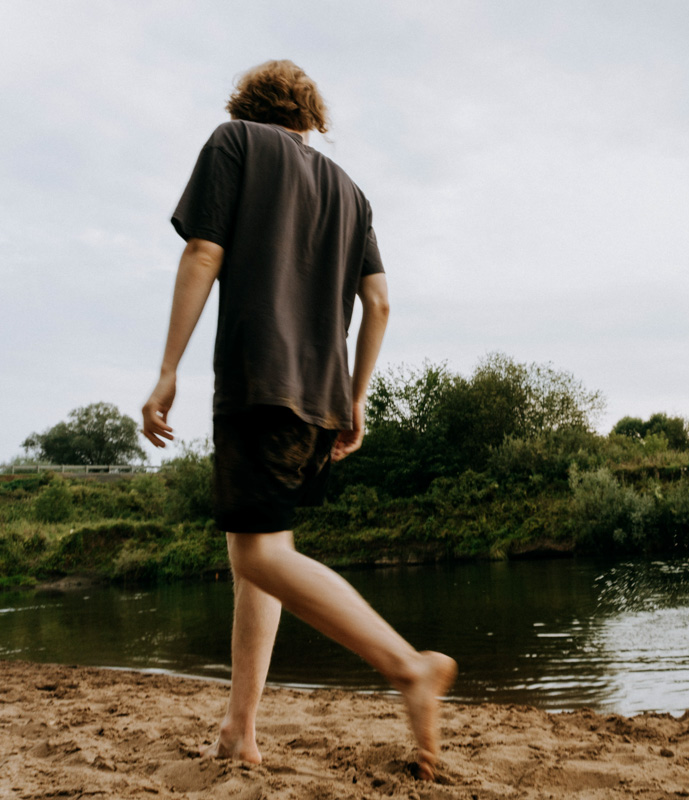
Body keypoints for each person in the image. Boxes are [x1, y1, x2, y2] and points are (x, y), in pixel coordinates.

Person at [141, 60, 456, 781]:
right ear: (310, 116)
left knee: (256, 556)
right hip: (320, 398)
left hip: (260, 381)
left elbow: (202, 250)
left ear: (248, 107)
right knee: (260, 556)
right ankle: (239, 732)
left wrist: (167, 369)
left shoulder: (236, 143)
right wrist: (357, 396)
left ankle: (409, 668)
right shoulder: (352, 191)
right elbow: (378, 303)